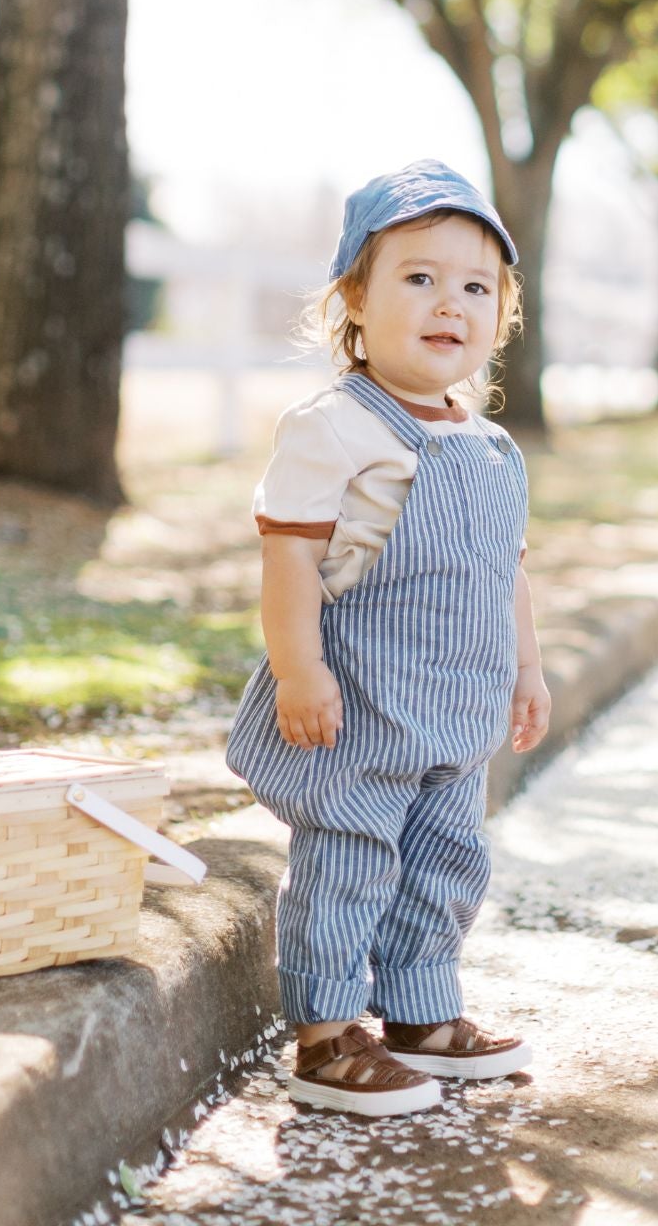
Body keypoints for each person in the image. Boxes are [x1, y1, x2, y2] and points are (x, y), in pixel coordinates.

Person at [226, 159, 552, 1117]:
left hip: (455, 710)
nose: (449, 302)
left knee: (448, 859)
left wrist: (526, 670)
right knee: (352, 856)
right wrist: (300, 671)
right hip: (359, 703)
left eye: (475, 286)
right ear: (355, 302)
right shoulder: (333, 428)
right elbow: (288, 564)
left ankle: (420, 1010)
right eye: (419, 278)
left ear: (502, 316)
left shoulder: (489, 444)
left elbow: (506, 575)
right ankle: (326, 1033)